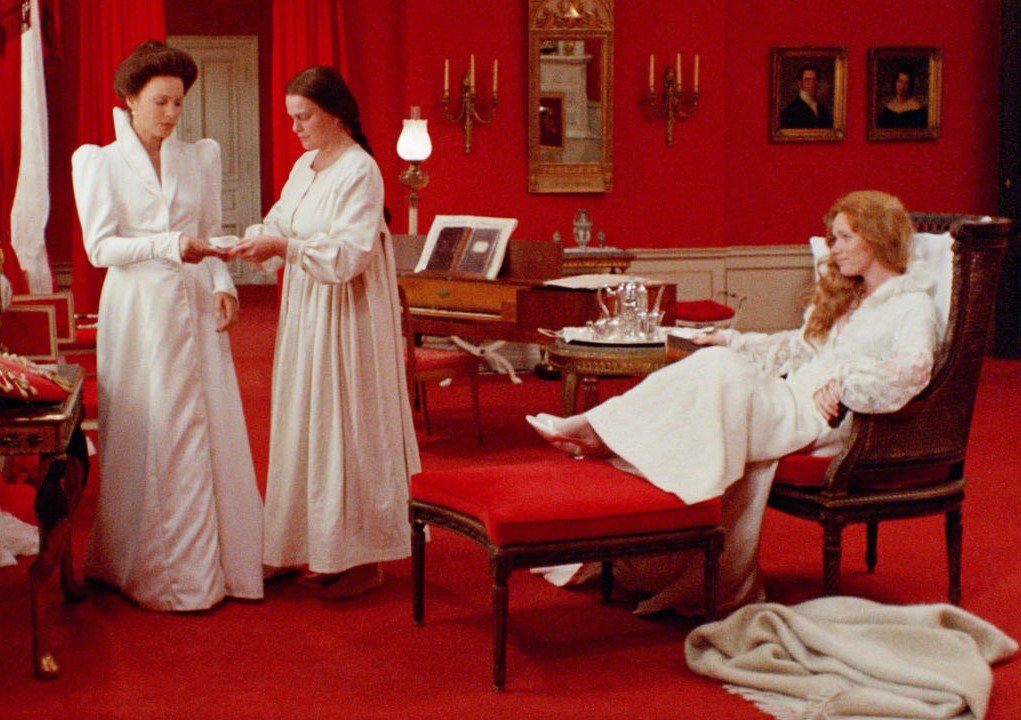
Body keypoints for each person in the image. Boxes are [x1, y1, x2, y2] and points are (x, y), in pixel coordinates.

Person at [528, 190, 939, 615]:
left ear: (877, 238)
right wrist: (730, 340)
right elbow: (797, 347)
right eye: (833, 238)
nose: (834, 249)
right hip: (792, 399)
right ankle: (607, 435)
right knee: (715, 360)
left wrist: (847, 382)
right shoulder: (850, 297)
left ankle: (601, 430)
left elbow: (914, 368)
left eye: (845, 238)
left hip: (824, 419)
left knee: (721, 369)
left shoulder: (913, 305)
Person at [71, 40, 263, 611]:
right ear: (130, 99)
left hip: (195, 303)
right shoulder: (99, 162)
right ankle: (160, 570)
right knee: (155, 428)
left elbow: (213, 228)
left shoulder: (200, 156)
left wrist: (224, 285)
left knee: (208, 424)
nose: (172, 113)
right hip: (138, 313)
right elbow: (101, 248)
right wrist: (169, 244)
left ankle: (223, 561)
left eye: (179, 102)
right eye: (160, 102)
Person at [231, 66, 420, 599]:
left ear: (335, 114)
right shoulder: (304, 165)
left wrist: (284, 248)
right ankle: (300, 544)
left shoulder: (361, 170)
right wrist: (258, 240)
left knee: (345, 424)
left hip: (348, 314)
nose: (295, 128)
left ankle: (362, 556)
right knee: (305, 420)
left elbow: (350, 254)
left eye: (304, 117)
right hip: (308, 308)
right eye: (292, 117)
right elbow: (282, 221)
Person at [779, 65, 834, 129]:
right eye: (807, 80)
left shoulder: (823, 110)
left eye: (815, 80)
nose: (812, 84)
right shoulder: (790, 111)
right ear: (800, 83)